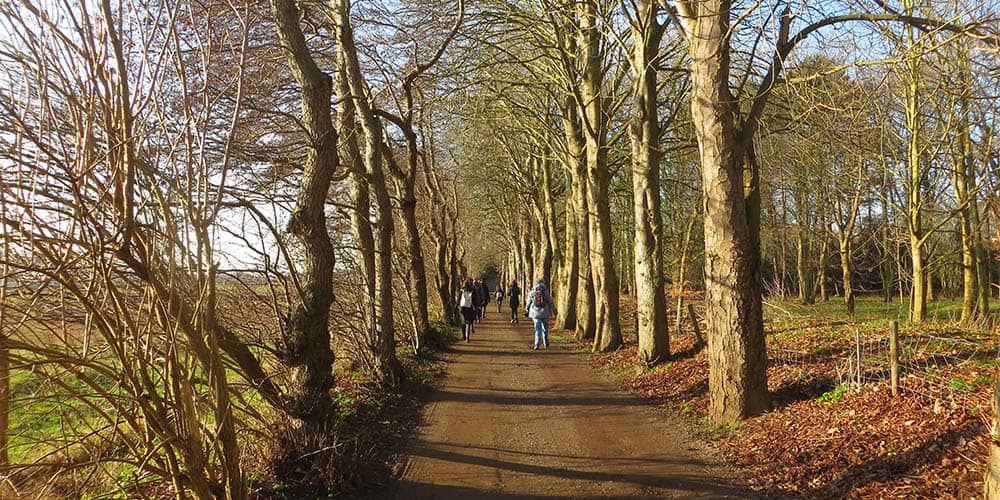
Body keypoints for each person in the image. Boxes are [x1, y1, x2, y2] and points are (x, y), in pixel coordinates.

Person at [525, 280, 555, 350]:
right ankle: (546, 342)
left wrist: (526, 310)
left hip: (535, 313)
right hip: (545, 312)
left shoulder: (532, 291)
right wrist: (554, 310)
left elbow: (528, 302)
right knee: (545, 328)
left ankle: (537, 344)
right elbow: (551, 301)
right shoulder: (546, 291)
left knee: (537, 329)